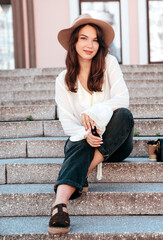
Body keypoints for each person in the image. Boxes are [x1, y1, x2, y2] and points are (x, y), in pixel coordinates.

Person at [48, 13, 134, 235]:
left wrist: (94, 113)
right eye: (84, 38)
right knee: (78, 141)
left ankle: (80, 173)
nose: (90, 45)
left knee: (124, 115)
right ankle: (60, 205)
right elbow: (66, 121)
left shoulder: (109, 63)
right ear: (74, 42)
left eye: (95, 40)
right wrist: (85, 134)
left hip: (115, 143)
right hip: (83, 142)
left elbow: (122, 99)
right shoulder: (62, 79)